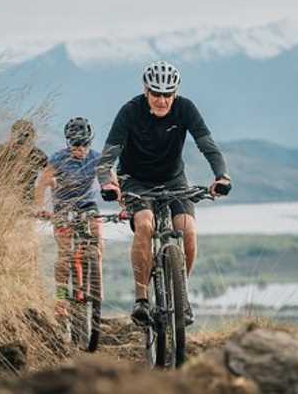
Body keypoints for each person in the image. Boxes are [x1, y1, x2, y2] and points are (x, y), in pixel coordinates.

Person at [95, 60, 231, 326]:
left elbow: (208, 146)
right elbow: (107, 158)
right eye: (156, 93)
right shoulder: (130, 112)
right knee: (145, 224)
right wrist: (108, 184)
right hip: (134, 180)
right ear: (146, 91)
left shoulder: (185, 109)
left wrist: (221, 176)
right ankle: (142, 300)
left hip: (174, 179)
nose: (162, 100)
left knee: (187, 229)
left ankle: (182, 295)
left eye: (167, 94)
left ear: (175, 93)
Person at [34, 117, 101, 316]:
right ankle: (61, 297)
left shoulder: (96, 158)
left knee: (95, 246)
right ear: (68, 142)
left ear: (90, 141)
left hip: (87, 205)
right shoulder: (57, 158)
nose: (80, 148)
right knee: (64, 255)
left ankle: (94, 285)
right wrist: (39, 207)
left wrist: (122, 203)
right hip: (63, 208)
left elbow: (110, 180)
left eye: (85, 143)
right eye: (75, 144)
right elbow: (42, 183)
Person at [0, 119, 47, 204]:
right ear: (12, 137)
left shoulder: (38, 155)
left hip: (26, 204)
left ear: (31, 138)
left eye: (25, 141)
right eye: (18, 142)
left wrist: (40, 204)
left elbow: (50, 178)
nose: (20, 147)